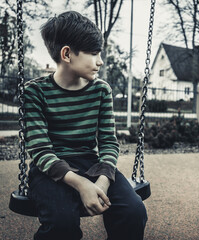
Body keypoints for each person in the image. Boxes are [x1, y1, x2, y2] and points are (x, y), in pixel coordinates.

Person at [24, 11, 147, 240]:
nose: (100, 61)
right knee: (62, 224)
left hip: (91, 164)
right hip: (50, 169)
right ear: (67, 54)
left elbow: (109, 142)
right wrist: (80, 184)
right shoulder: (35, 92)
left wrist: (102, 179)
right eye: (93, 53)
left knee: (133, 211)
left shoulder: (101, 91)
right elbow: (40, 150)